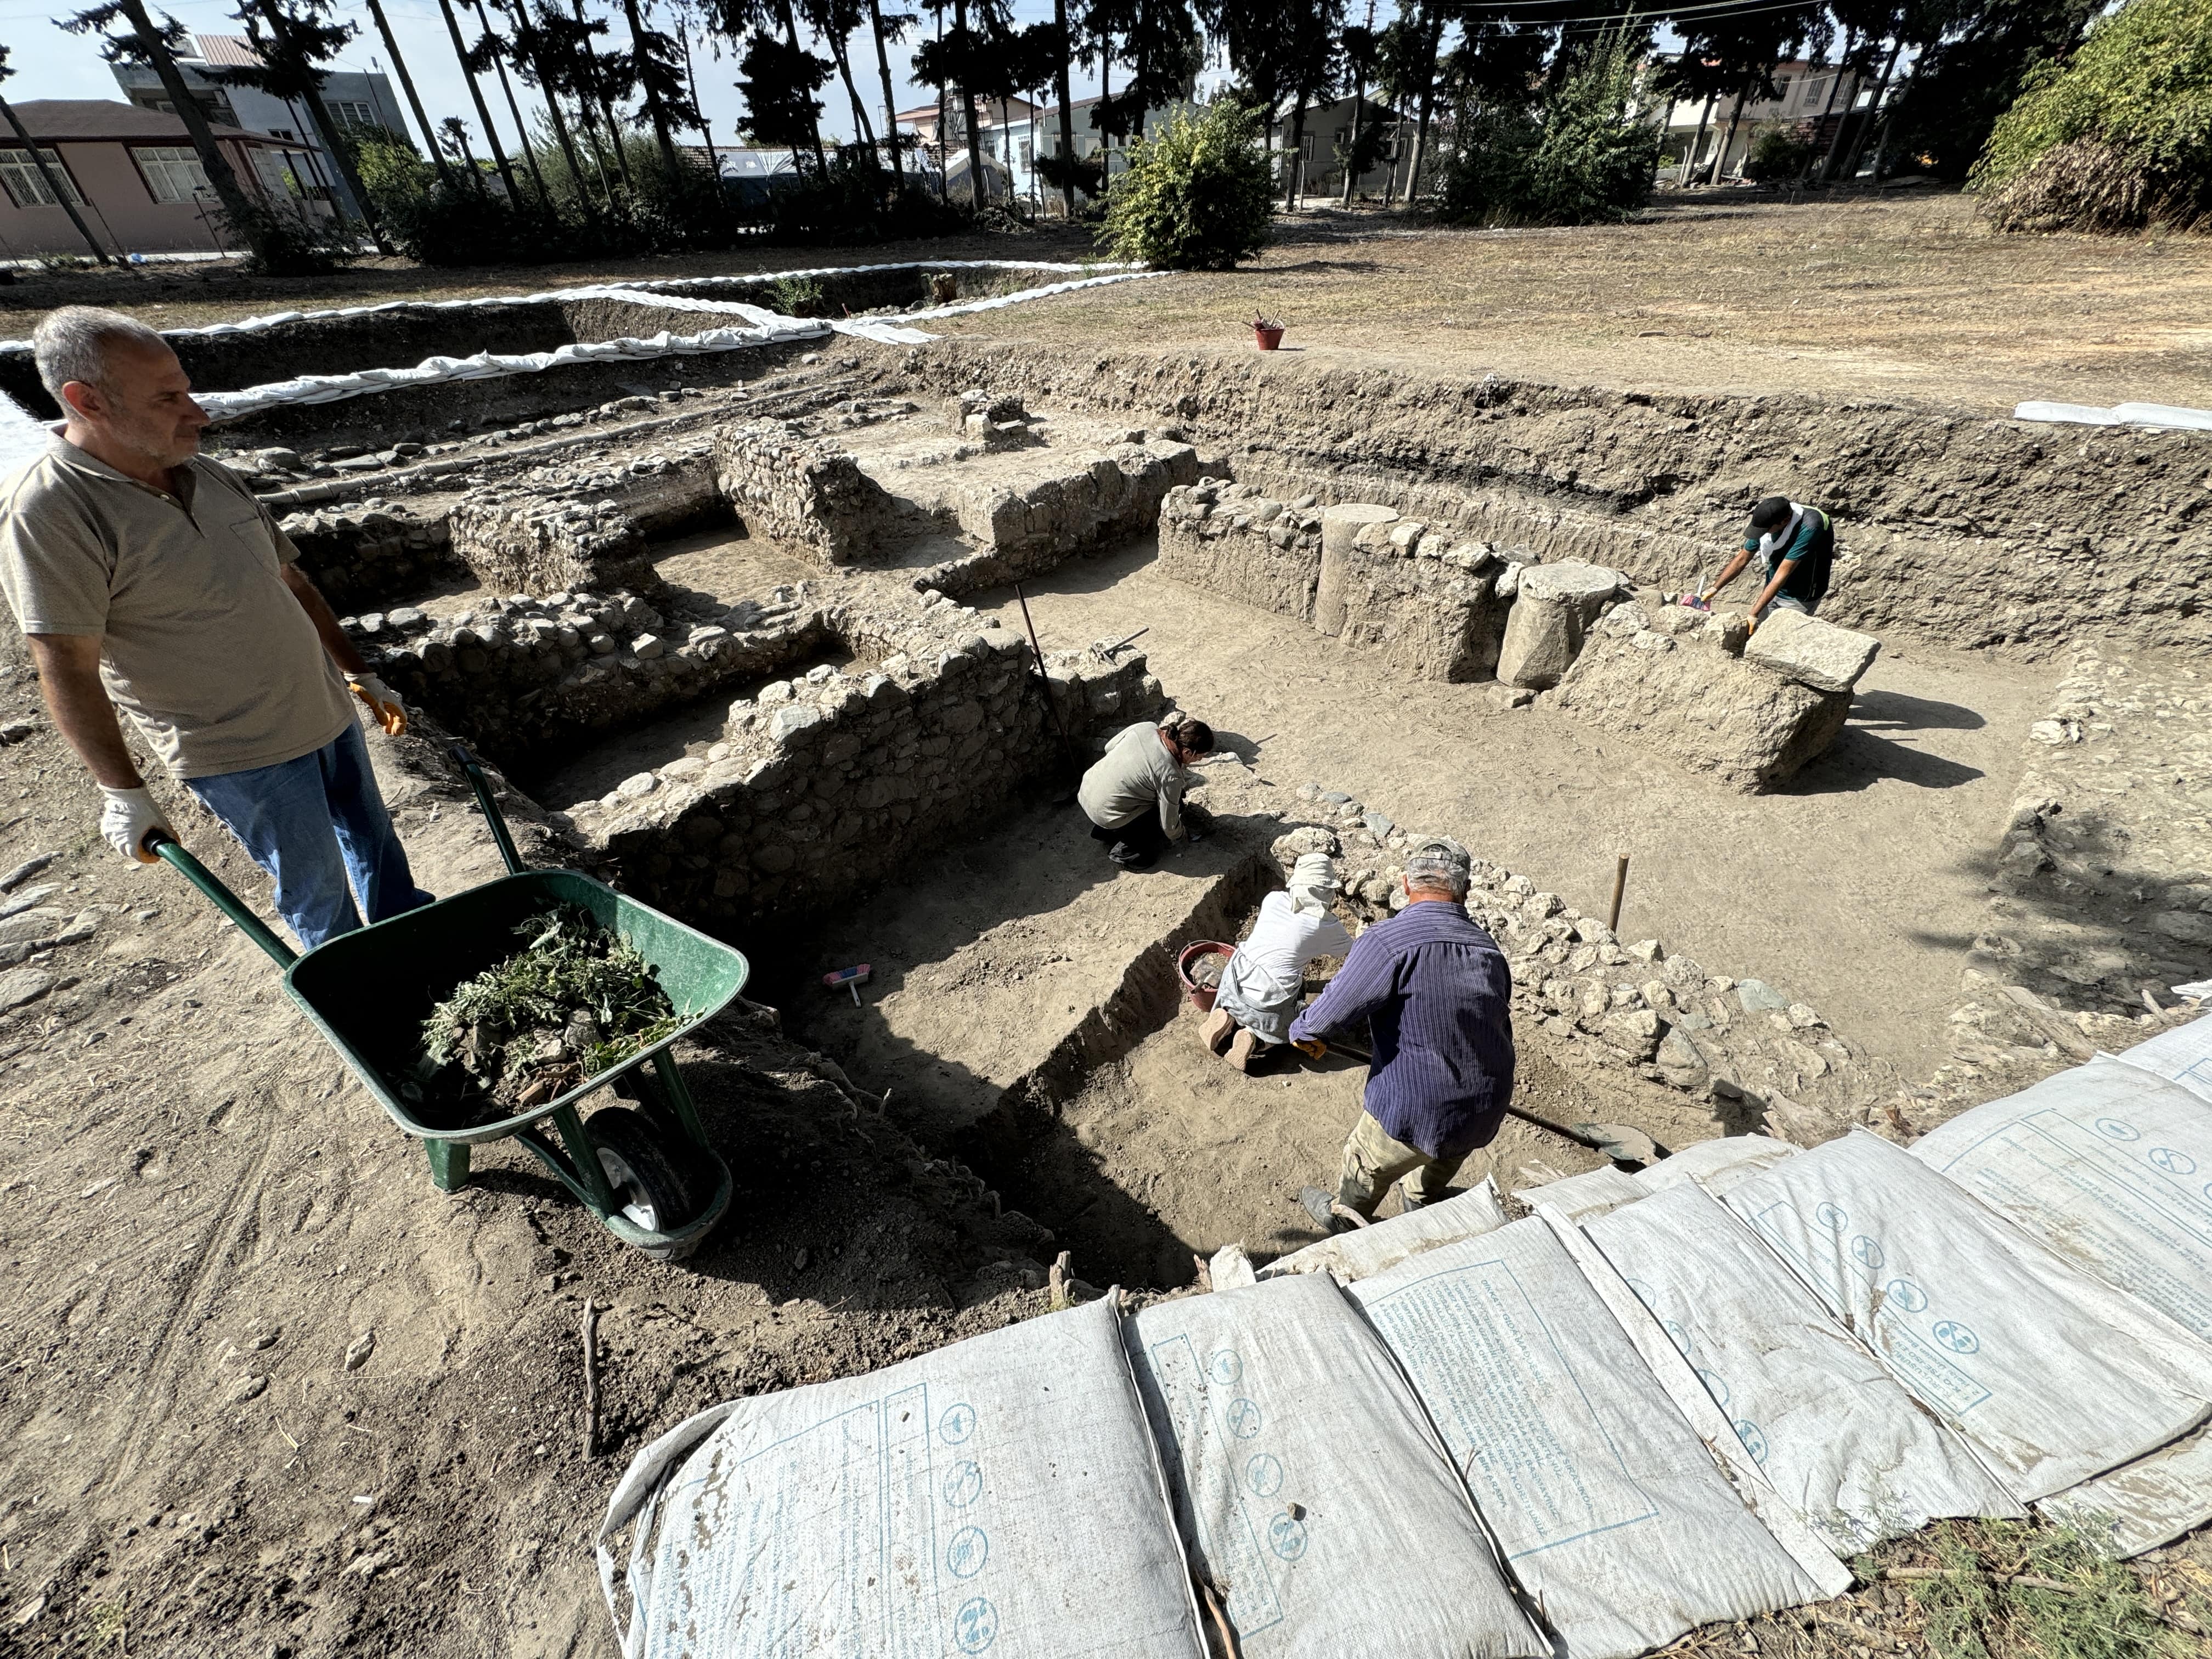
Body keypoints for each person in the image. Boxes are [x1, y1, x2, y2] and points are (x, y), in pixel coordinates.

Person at [0, 306, 432, 951]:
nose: (198, 413)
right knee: (319, 896)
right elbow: (65, 660)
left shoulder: (209, 473)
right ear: (86, 400)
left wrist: (358, 673)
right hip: (244, 755)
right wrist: (122, 790)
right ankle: (371, 1016)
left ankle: (423, 950)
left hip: (326, 713)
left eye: (188, 389)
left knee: (376, 846)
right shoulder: (54, 511)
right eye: (169, 397)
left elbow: (292, 585)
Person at [1288, 839, 1515, 1228]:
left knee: (1366, 1162)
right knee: (1445, 1156)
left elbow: (1322, 1021)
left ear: (1406, 885)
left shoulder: (1387, 942)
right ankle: (1420, 1200)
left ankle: (1346, 1217)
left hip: (1415, 1108)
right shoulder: (1489, 950)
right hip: (1486, 1103)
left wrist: (1301, 1030)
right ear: (1465, 892)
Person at [1200, 852, 1352, 1072]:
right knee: (1285, 1030)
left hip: (1233, 978)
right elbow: (1353, 950)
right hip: (1267, 1000)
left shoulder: (1273, 899)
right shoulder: (1326, 926)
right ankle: (1256, 1040)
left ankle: (1226, 1017)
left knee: (1249, 991)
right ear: (1327, 891)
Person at [1076, 712, 1213, 869]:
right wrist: (1183, 836)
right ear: (1188, 752)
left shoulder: (1147, 727)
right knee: (1150, 850)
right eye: (1199, 757)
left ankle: (1103, 832)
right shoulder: (1170, 775)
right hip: (1104, 813)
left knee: (1143, 794)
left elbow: (1109, 747)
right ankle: (1124, 851)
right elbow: (1169, 826)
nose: (1199, 761)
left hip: (1088, 790)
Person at [1695, 495, 1835, 622]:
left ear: (1785, 521)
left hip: (1799, 596)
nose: (1763, 533)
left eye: (1766, 530)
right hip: (1773, 586)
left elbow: (1783, 572)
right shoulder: (1770, 521)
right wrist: (1714, 589)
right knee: (1761, 625)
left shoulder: (1811, 526)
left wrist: (1753, 613)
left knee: (1781, 638)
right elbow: (1743, 558)